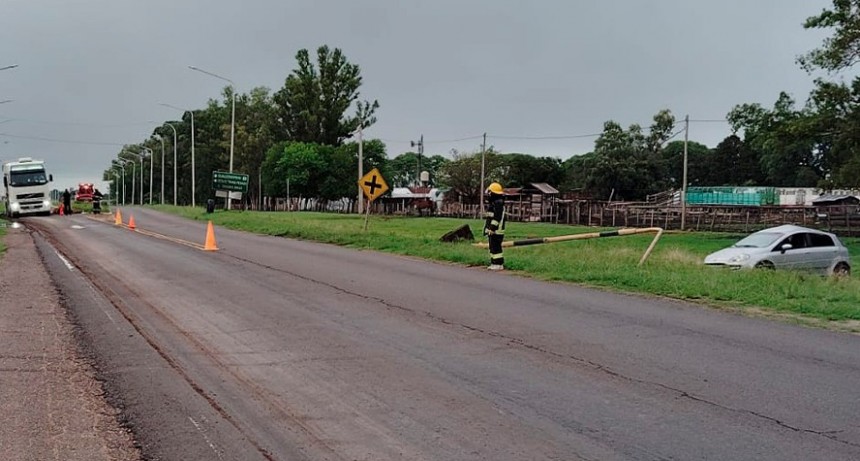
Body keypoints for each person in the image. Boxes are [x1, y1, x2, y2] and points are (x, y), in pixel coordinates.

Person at [483, 182, 506, 271]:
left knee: (496, 247)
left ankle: (498, 264)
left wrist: (492, 228)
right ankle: (494, 263)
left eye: (489, 193)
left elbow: (497, 217)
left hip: (497, 230)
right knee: (492, 247)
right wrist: (487, 228)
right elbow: (490, 217)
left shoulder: (498, 203)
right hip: (493, 230)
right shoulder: (495, 203)